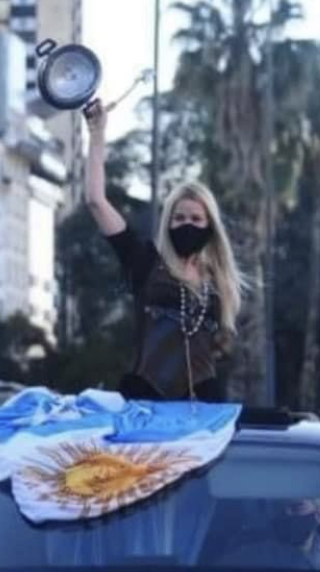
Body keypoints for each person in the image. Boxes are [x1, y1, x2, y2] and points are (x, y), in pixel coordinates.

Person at [84, 98, 242, 402]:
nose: (187, 225)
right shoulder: (145, 262)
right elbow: (95, 201)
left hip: (203, 404)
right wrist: (97, 134)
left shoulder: (219, 283)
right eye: (179, 218)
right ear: (167, 223)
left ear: (210, 226)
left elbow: (222, 350)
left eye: (196, 219)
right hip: (145, 399)